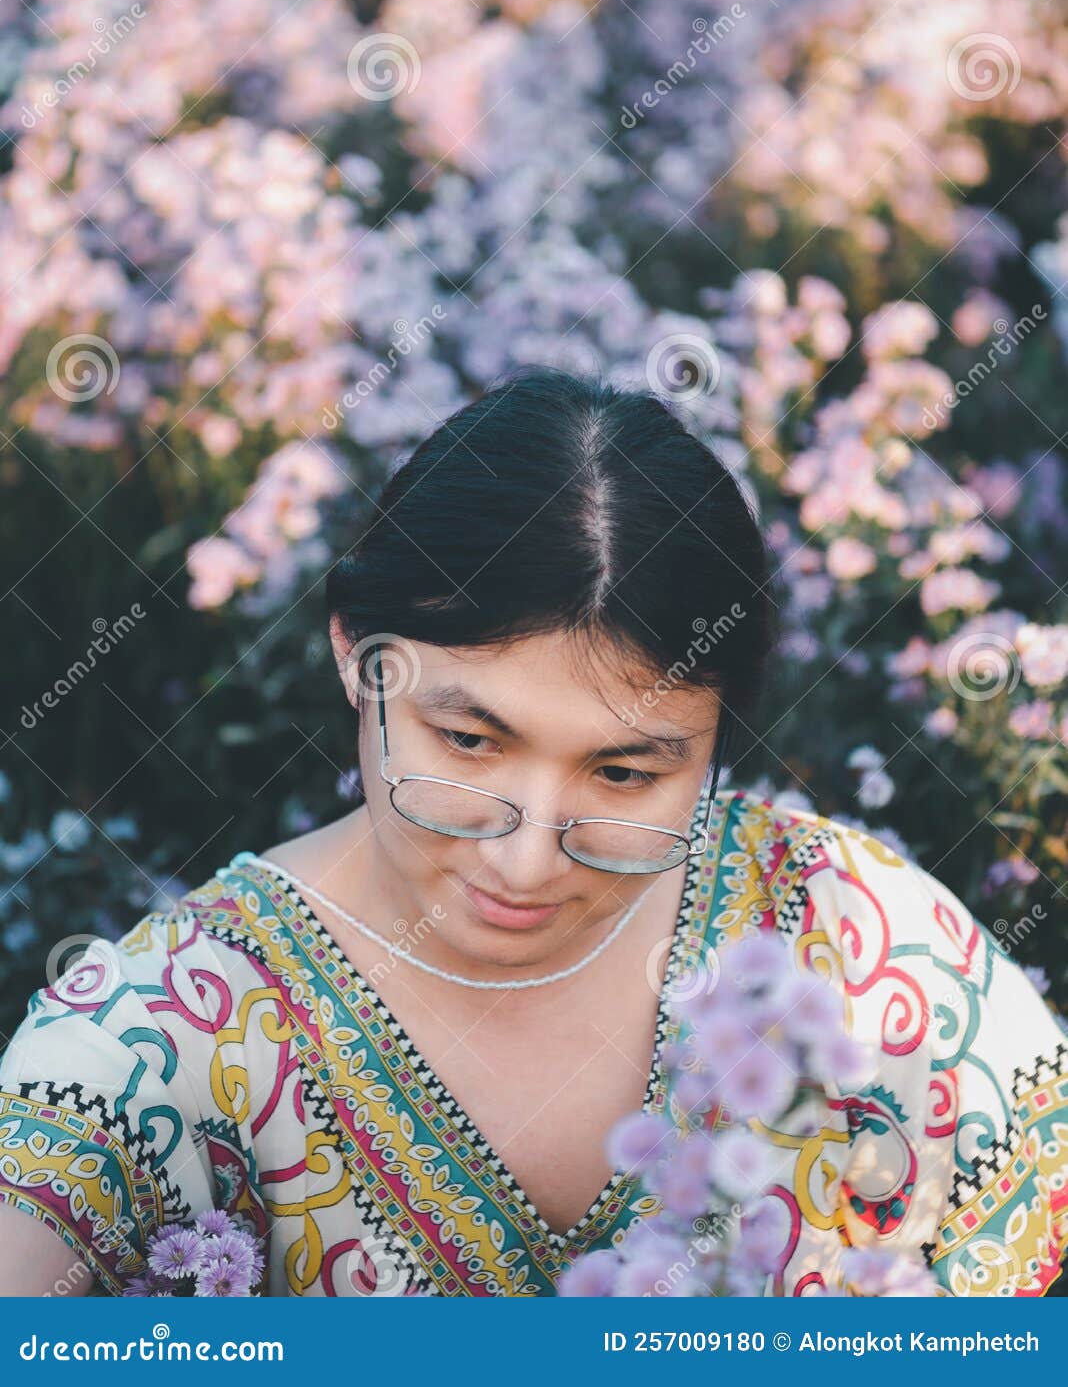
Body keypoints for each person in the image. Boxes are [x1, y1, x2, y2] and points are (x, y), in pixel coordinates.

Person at [0, 368, 1065, 1298]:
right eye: (466, 740)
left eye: (625, 771)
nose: (527, 858)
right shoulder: (158, 1035)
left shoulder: (859, 942)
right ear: (351, 655)